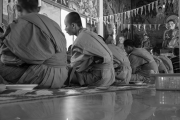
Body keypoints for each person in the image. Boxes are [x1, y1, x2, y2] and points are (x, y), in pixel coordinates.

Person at [0, 0, 68, 88]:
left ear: (18, 8)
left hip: (43, 76)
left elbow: (7, 59)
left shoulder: (20, 24)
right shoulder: (54, 24)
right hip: (61, 75)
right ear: (38, 8)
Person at [65, 12, 115, 86]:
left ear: (73, 25)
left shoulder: (79, 41)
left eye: (66, 26)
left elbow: (75, 66)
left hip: (101, 77)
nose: (65, 29)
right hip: (111, 75)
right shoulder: (91, 34)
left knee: (65, 73)